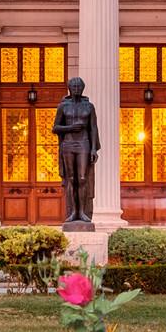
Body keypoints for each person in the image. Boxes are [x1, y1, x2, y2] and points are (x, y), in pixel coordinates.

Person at [52, 77, 101, 227]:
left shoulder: (89, 107)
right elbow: (55, 128)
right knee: (71, 178)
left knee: (82, 178)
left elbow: (93, 128)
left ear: (82, 88)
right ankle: (73, 212)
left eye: (79, 86)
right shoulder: (63, 106)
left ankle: (82, 212)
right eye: (73, 86)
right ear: (69, 88)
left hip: (84, 144)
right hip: (68, 144)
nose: (76, 88)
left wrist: (93, 148)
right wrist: (70, 128)